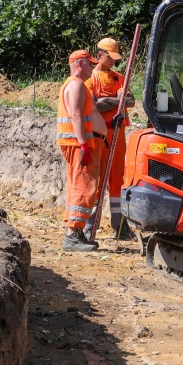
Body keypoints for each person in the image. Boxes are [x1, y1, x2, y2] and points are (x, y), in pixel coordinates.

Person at [84, 37, 136, 240]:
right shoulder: (90, 79)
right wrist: (117, 102)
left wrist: (107, 101)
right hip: (99, 136)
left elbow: (130, 101)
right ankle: (90, 225)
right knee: (95, 181)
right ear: (99, 55)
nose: (114, 61)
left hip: (118, 135)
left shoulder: (119, 78)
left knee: (117, 180)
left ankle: (120, 225)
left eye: (116, 57)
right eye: (110, 57)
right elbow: (94, 105)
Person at [57, 49, 108, 252]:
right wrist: (84, 145)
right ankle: (72, 236)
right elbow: (76, 116)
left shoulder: (74, 85)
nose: (94, 67)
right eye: (90, 63)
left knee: (78, 185)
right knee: (83, 187)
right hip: (80, 145)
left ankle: (75, 232)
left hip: (78, 143)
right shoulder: (76, 85)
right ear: (79, 64)